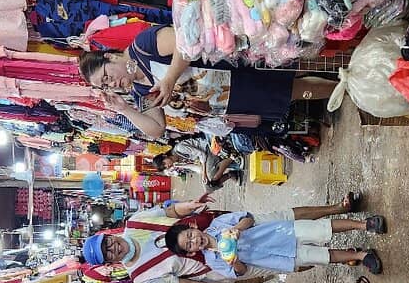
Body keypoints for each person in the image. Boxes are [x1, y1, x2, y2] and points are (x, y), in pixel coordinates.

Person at [77, 25, 333, 139]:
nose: (113, 84)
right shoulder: (140, 90)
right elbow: (156, 129)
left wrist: (170, 79)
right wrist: (124, 109)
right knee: (294, 92)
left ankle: (348, 64)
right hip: (228, 97)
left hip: (232, 64)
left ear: (110, 56)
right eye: (106, 86)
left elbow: (183, 41)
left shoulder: (143, 46)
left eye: (107, 77)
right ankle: (347, 89)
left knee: (294, 66)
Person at [81, 194, 365, 283]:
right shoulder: (142, 280)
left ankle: (335, 208)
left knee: (285, 218)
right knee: (289, 261)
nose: (113, 248)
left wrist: (189, 206)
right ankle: (344, 255)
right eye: (108, 254)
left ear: (110, 234)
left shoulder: (137, 222)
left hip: (216, 228)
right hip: (216, 265)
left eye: (109, 243)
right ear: (110, 263)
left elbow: (169, 213)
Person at [164, 212, 384, 277]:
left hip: (279, 232)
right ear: (191, 253)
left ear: (192, 227)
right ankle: (362, 255)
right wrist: (233, 261)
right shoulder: (214, 262)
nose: (194, 241)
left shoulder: (218, 224)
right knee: (323, 256)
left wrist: (238, 229)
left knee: (322, 228)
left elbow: (247, 217)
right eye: (189, 245)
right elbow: (241, 272)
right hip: (278, 259)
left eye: (190, 235)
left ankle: (364, 224)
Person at [153, 139, 243, 191]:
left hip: (208, 149)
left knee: (212, 177)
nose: (167, 166)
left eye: (164, 163)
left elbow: (201, 154)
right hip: (205, 159)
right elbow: (196, 168)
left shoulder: (180, 148)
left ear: (164, 156)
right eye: (164, 167)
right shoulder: (177, 164)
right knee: (208, 188)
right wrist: (203, 177)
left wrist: (204, 173)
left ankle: (232, 158)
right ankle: (230, 174)